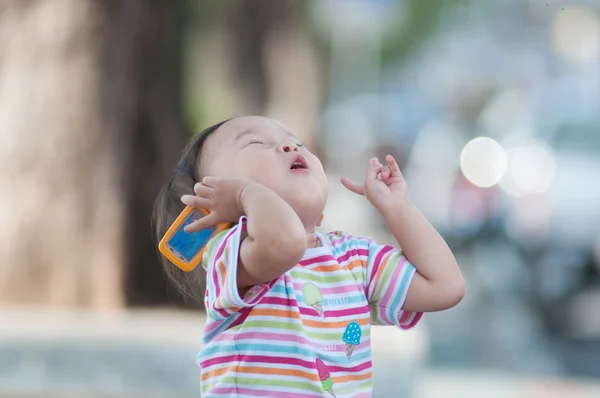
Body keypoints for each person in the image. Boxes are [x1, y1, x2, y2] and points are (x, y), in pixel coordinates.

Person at [153, 116, 465, 398]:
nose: (289, 145)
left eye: (296, 141)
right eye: (255, 143)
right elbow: (285, 243)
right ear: (213, 204)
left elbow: (444, 286)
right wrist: (243, 195)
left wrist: (397, 208)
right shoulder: (229, 251)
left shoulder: (355, 259)